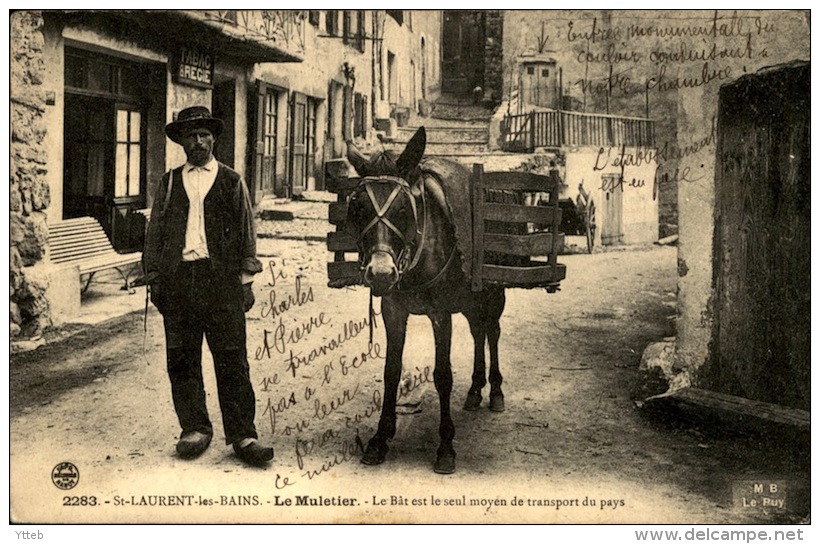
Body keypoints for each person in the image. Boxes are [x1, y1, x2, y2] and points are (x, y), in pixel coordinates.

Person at [142, 106, 273, 467]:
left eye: (204, 135)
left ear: (213, 139)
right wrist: (154, 276)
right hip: (179, 280)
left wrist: (245, 282)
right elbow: (155, 233)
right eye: (191, 135)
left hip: (222, 283)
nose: (198, 142)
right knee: (182, 358)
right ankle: (194, 428)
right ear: (181, 141)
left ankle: (244, 434)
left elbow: (247, 234)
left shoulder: (232, 180)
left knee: (232, 358)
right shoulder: (169, 182)